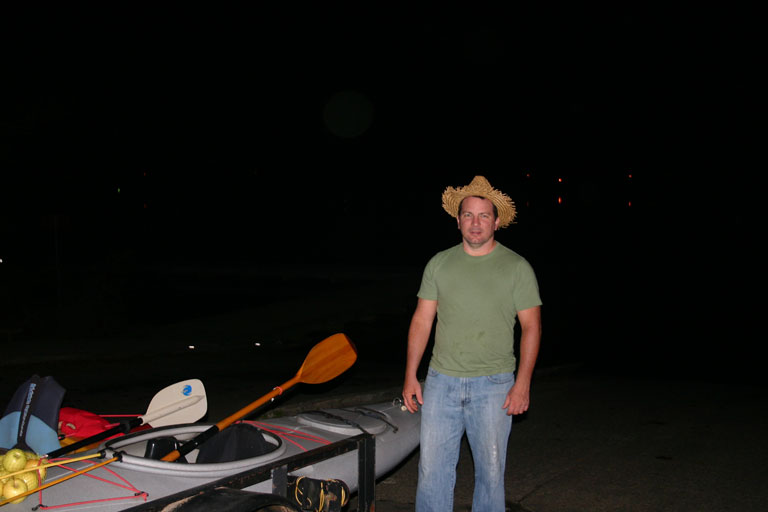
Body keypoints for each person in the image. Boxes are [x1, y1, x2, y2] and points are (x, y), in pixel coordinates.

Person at [402, 175, 542, 512]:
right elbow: (422, 320)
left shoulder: (517, 267)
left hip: (494, 385)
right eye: (468, 215)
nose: (475, 223)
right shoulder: (439, 263)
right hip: (441, 382)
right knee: (431, 471)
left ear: (496, 221)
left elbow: (532, 328)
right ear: (458, 220)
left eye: (483, 216)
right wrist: (410, 375)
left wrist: (522, 384)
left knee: (491, 474)